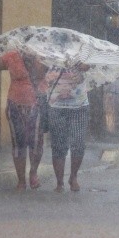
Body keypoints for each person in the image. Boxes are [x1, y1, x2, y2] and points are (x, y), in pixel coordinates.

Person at [0, 50, 48, 190]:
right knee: (18, 143)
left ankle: (33, 174)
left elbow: (41, 75)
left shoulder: (43, 56)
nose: (25, 48)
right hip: (15, 104)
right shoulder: (12, 56)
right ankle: (21, 180)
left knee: (36, 142)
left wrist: (32, 61)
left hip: (37, 104)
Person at [43, 62, 91, 192]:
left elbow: (89, 64)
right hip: (55, 105)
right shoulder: (49, 49)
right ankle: (59, 182)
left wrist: (85, 65)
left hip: (79, 105)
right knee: (58, 145)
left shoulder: (82, 47)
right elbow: (41, 68)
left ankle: (73, 176)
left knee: (78, 143)